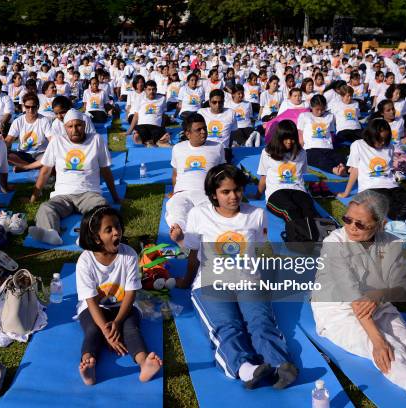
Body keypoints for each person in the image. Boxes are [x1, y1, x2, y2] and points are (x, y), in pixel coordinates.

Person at [311, 190, 406, 407]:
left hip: (379, 303)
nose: (351, 227)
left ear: (380, 224)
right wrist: (377, 341)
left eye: (361, 224)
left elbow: (403, 288)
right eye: (347, 219)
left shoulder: (392, 243)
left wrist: (380, 295)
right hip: (338, 310)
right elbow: (354, 300)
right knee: (388, 348)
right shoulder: (335, 243)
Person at [170, 163, 298, 389]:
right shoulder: (199, 214)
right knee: (227, 325)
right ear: (213, 194)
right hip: (210, 283)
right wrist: (186, 281)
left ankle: (279, 365)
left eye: (237, 189)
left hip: (248, 281)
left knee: (261, 322)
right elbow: (193, 253)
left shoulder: (257, 215)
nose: (233, 196)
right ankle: (245, 368)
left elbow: (261, 249)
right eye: (225, 192)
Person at [76, 205, 163, 385]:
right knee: (93, 330)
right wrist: (107, 332)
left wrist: (117, 322)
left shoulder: (129, 255)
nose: (117, 232)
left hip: (124, 306)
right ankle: (88, 364)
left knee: (131, 328)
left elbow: (131, 294)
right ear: (96, 237)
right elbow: (91, 301)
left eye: (118, 226)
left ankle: (144, 362)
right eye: (109, 230)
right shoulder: (85, 261)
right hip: (95, 309)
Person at [29, 109, 121, 244]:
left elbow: (106, 171)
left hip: (89, 193)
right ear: (65, 127)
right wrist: (33, 197)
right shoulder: (57, 142)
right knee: (46, 208)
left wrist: (115, 197)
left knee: (102, 209)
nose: (74, 130)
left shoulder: (96, 140)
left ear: (84, 125)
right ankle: (51, 234)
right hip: (62, 194)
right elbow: (45, 172)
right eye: (70, 126)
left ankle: (87, 235)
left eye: (78, 125)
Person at [337, 119, 406, 234]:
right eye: (379, 139)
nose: (383, 143)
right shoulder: (358, 145)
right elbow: (355, 170)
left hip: (392, 186)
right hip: (371, 189)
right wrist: (346, 192)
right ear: (370, 135)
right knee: (396, 210)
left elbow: (389, 170)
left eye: (385, 139)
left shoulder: (390, 147)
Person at [167, 113, 225, 239]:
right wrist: (174, 191)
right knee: (176, 209)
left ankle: (205, 235)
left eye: (204, 128)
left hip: (206, 192)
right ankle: (178, 230)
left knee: (210, 214)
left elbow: (222, 173)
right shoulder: (177, 148)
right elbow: (175, 174)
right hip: (182, 192)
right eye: (198, 130)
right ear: (188, 134)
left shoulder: (218, 147)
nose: (203, 132)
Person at [255, 120, 318, 222]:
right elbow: (264, 177)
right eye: (285, 138)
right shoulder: (267, 152)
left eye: (292, 138)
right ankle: (300, 236)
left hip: (298, 190)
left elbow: (301, 174)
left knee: (310, 212)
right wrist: (257, 195)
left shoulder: (301, 152)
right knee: (291, 211)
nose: (289, 141)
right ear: (279, 138)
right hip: (276, 192)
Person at [297, 95, 348, 176]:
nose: (320, 112)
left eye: (322, 109)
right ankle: (335, 169)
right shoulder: (304, 116)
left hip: (327, 148)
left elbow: (331, 133)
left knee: (339, 156)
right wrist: (301, 150)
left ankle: (342, 167)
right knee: (319, 160)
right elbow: (300, 133)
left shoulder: (329, 116)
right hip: (311, 149)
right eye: (317, 109)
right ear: (311, 106)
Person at [5, 93, 51, 170]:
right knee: (6, 155)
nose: (30, 110)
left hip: (40, 153)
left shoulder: (44, 120)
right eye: (27, 107)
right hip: (23, 154)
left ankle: (26, 167)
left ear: (38, 107)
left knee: (50, 159)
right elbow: (8, 140)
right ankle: (32, 166)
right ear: (24, 107)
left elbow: (51, 140)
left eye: (33, 107)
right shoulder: (18, 121)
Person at [126, 80, 170, 147]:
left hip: (156, 125)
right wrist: (129, 130)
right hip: (143, 125)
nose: (151, 91)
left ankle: (150, 141)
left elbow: (163, 115)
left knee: (159, 132)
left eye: (153, 89)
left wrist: (163, 128)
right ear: (145, 90)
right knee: (140, 132)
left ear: (156, 89)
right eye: (149, 89)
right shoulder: (140, 99)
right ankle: (152, 141)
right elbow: (136, 116)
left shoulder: (162, 99)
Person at [197, 89, 237, 162]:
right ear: (209, 102)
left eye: (220, 102)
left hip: (223, 149)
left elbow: (232, 133)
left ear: (224, 102)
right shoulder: (201, 112)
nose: (217, 105)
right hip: (205, 147)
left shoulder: (231, 113)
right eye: (214, 102)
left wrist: (229, 147)